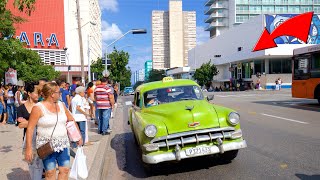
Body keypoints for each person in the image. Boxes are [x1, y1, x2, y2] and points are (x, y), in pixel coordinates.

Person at [25, 82, 83, 180]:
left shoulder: (61, 105)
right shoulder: (38, 108)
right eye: (58, 92)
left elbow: (71, 120)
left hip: (63, 144)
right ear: (52, 94)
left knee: (65, 170)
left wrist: (78, 136)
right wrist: (29, 149)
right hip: (46, 146)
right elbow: (30, 128)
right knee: (50, 173)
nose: (60, 94)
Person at [17, 83, 44, 179]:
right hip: (28, 140)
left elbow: (44, 121)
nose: (39, 95)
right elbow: (20, 125)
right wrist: (36, 121)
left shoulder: (41, 106)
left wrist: (27, 122)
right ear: (29, 93)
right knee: (32, 165)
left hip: (42, 139)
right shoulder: (21, 108)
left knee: (43, 167)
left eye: (40, 93)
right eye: (36, 93)